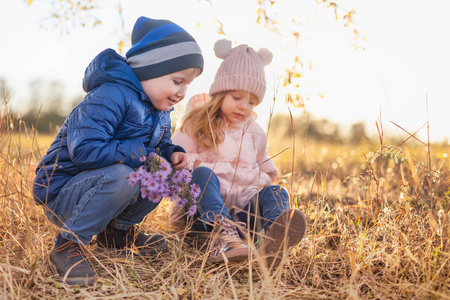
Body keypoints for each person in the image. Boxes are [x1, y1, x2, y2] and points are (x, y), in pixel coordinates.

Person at [32, 16, 204, 285]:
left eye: (187, 86)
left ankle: (117, 232)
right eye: (177, 81)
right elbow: (86, 150)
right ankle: (68, 243)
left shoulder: (161, 111)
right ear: (150, 69)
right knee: (127, 175)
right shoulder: (109, 95)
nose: (181, 92)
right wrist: (142, 156)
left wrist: (172, 154)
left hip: (105, 187)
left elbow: (158, 146)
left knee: (166, 172)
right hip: (63, 193)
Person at [170, 39, 307, 265]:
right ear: (220, 92)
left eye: (252, 102)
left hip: (243, 218)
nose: (244, 106)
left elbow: (263, 163)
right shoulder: (197, 123)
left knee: (276, 192)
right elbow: (176, 156)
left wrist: (266, 183)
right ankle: (223, 239)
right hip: (202, 217)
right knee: (203, 175)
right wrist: (189, 162)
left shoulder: (254, 132)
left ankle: (274, 237)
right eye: (237, 97)